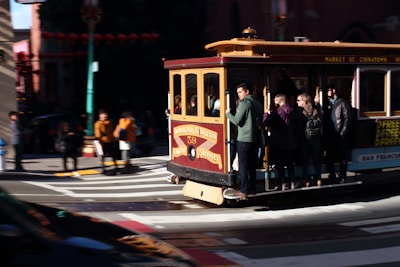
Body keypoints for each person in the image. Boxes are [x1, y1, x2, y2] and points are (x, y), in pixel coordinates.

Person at [225, 83, 263, 197]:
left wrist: (228, 114)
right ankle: (253, 188)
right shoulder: (257, 103)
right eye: (238, 93)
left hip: (244, 139)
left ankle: (244, 190)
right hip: (255, 139)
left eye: (241, 92)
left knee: (243, 165)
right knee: (252, 165)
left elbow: (237, 121)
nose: (239, 95)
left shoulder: (243, 104)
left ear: (247, 92)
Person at [263, 94, 296, 190]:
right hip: (290, 140)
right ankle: (292, 181)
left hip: (278, 141)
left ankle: (283, 182)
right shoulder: (292, 110)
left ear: (280, 101)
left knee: (280, 163)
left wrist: (266, 113)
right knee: (290, 163)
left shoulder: (278, 112)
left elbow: (267, 122)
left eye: (275, 101)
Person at [326, 87, 352, 183]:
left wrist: (342, 133)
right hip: (331, 134)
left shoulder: (342, 103)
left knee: (342, 155)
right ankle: (332, 175)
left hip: (340, 134)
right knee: (330, 156)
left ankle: (342, 175)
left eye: (328, 90)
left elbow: (347, 119)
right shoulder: (329, 103)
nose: (326, 92)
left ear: (333, 91)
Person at [296, 93, 322, 187]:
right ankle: (319, 178)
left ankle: (306, 180)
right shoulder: (315, 110)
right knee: (316, 159)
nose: (297, 102)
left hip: (305, 139)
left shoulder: (300, 112)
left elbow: (298, 127)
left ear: (305, 101)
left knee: (304, 160)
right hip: (315, 138)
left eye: (299, 100)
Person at [94, 109, 118, 174]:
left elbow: (111, 131)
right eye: (104, 114)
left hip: (110, 140)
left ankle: (116, 166)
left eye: (106, 114)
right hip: (102, 142)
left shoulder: (109, 122)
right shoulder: (98, 123)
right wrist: (100, 136)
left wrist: (114, 138)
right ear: (100, 115)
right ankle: (103, 168)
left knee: (113, 154)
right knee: (102, 156)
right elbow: (97, 133)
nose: (105, 115)